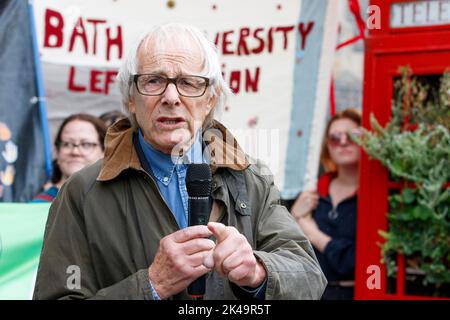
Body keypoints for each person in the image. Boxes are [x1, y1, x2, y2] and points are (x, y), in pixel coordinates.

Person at [33, 23, 326, 300]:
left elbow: (309, 277)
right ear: (131, 99)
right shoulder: (82, 192)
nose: (171, 97)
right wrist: (152, 285)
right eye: (153, 81)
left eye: (188, 82)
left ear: (210, 99)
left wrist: (257, 271)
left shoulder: (250, 180)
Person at [291, 108, 362, 300]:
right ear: (327, 146)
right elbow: (287, 254)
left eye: (352, 136)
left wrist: (314, 234)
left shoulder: (371, 198)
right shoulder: (312, 193)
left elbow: (355, 262)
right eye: (335, 138)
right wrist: (293, 217)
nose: (344, 142)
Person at [32, 114, 107, 202]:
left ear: (104, 151)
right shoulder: (37, 207)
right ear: (57, 150)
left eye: (86, 144)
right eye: (67, 144)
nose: (75, 152)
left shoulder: (118, 203)